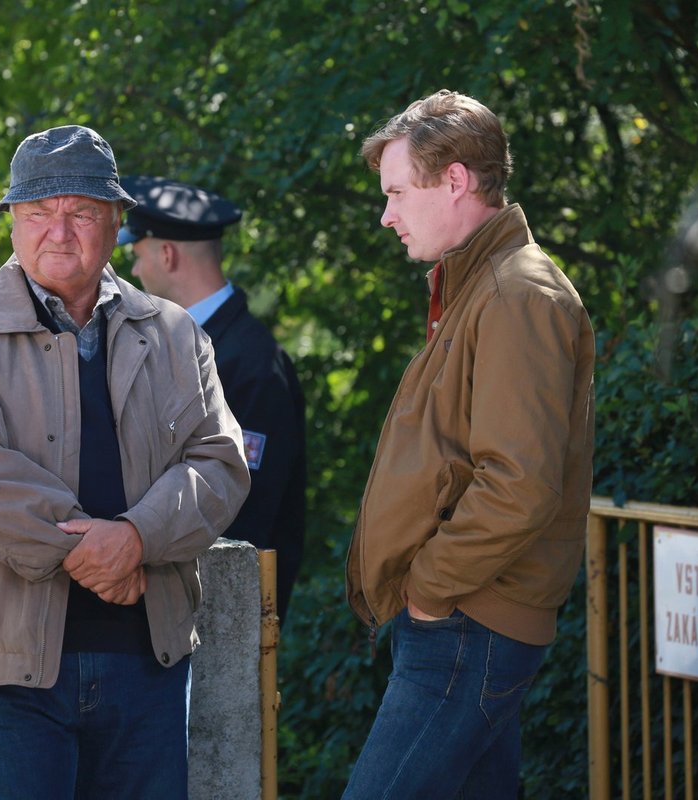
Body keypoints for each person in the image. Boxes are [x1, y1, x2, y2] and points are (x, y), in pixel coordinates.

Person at [0, 125, 250, 800]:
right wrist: (91, 552)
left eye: (82, 213)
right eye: (38, 212)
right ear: (10, 221)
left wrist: (134, 538)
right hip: (4, 673)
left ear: (117, 221)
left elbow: (219, 463)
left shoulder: (177, 335)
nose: (58, 232)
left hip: (146, 667)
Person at [342, 90, 595, 798]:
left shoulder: (518, 293)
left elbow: (519, 484)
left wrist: (427, 589)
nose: (386, 214)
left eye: (397, 192)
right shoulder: (482, 285)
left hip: (465, 620)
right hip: (461, 616)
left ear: (455, 180)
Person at [118, 175, 307, 624]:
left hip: (224, 615)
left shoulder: (251, 363)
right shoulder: (181, 344)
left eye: (138, 256)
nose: (137, 272)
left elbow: (243, 510)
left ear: (166, 254)